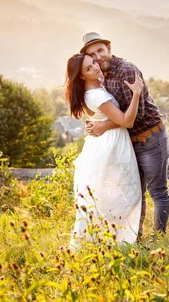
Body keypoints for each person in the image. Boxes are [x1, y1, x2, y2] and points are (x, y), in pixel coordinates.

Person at [81, 32, 169, 240]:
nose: (98, 57)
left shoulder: (126, 71)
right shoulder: (102, 75)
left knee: (158, 192)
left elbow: (134, 117)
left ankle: (159, 240)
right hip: (129, 143)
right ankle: (134, 239)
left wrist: (103, 125)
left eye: (100, 50)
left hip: (150, 138)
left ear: (109, 48)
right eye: (92, 55)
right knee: (133, 194)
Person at [65, 53, 144, 248]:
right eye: (89, 68)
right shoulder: (96, 95)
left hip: (105, 142)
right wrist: (136, 94)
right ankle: (119, 240)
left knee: (111, 193)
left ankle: (109, 238)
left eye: (93, 63)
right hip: (111, 144)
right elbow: (127, 121)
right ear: (82, 76)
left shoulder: (94, 88)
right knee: (122, 193)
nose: (95, 67)